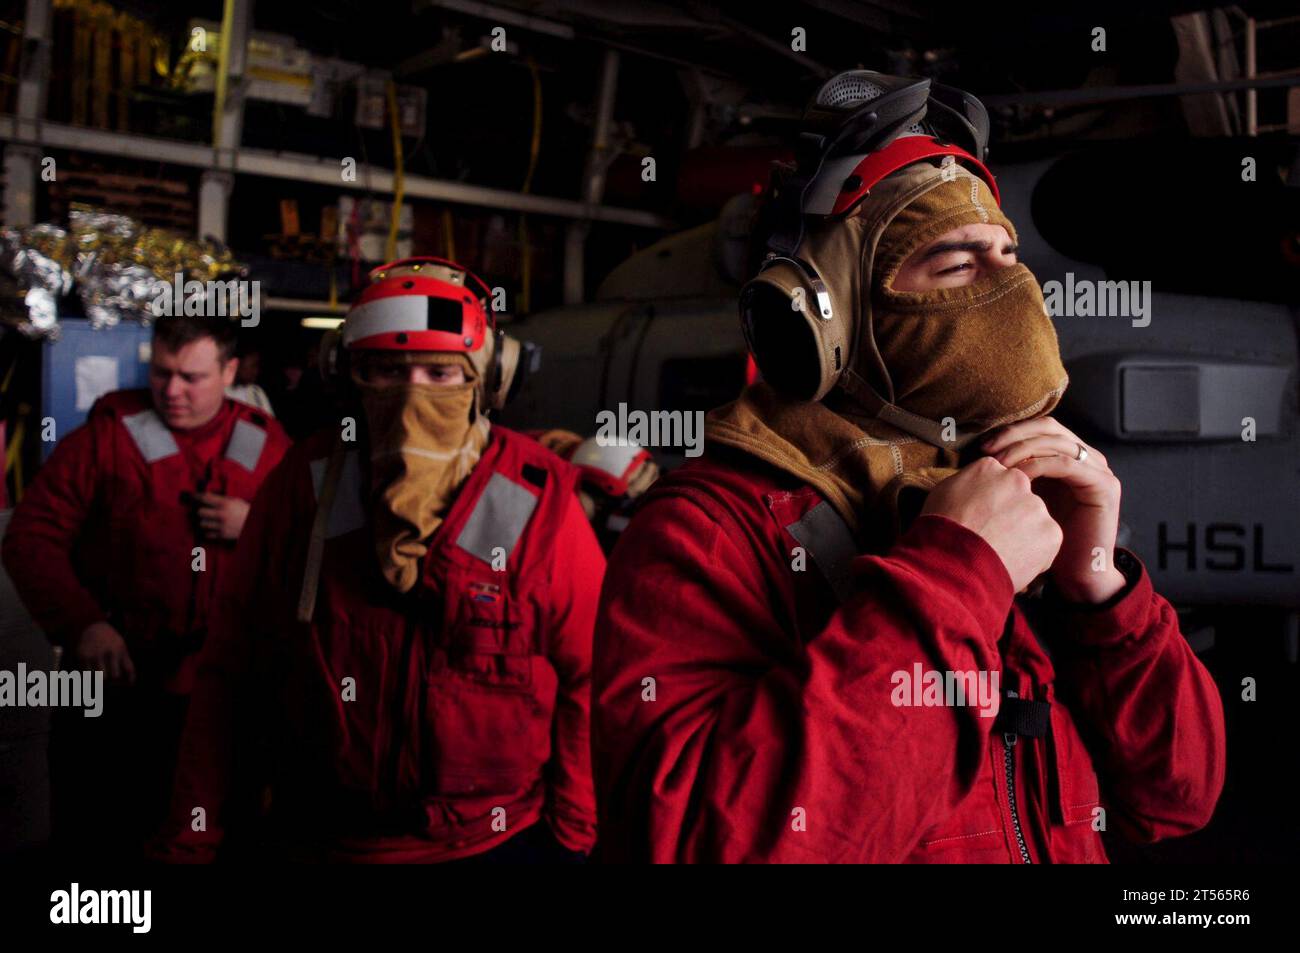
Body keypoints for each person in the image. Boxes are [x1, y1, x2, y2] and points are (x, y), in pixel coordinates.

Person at [592, 71, 1225, 863]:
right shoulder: (704, 533)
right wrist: (958, 577)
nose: (1012, 292)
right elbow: (713, 847)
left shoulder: (1014, 498)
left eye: (1008, 255)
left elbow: (1176, 802)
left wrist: (1098, 589)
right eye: (958, 262)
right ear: (828, 314)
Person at [153, 257, 602, 863]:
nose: (413, 394)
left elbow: (590, 676)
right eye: (388, 370)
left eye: (441, 372)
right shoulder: (305, 485)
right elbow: (232, 669)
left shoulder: (538, 499)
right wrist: (194, 836)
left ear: (488, 381)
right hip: (324, 836)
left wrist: (572, 840)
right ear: (348, 377)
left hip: (490, 841)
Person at [2, 313, 291, 859]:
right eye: (161, 373)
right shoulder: (106, 438)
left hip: (220, 693)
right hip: (117, 685)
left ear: (229, 371)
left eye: (192, 377)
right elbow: (29, 539)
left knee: (214, 836)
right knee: (99, 835)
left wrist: (254, 524)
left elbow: (314, 553)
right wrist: (81, 622)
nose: (172, 390)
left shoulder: (268, 443)